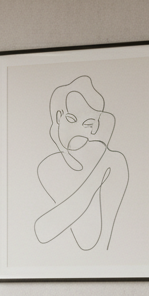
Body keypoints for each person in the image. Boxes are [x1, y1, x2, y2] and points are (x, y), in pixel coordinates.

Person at [34, 75, 129, 251]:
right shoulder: (48, 167)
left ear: (95, 127)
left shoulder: (114, 162)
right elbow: (42, 231)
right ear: (58, 117)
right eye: (70, 119)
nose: (78, 129)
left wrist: (100, 166)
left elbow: (90, 240)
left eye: (88, 123)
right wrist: (97, 176)